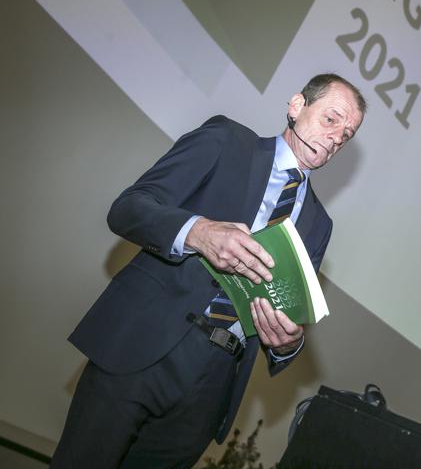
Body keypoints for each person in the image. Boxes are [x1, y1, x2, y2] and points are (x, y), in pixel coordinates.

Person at [51, 74, 366, 468]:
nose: (336, 138)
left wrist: (288, 345)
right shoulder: (227, 141)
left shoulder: (319, 225)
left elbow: (289, 311)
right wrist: (197, 232)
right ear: (296, 106)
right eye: (331, 120)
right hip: (143, 346)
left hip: (212, 386)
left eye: (346, 135)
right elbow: (128, 208)